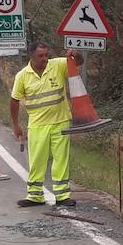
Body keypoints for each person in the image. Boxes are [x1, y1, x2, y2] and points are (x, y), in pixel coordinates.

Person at [10, 41, 76, 208]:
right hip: (37, 124)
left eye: (47, 55)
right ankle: (35, 196)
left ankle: (62, 195)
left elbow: (78, 63)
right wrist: (16, 124)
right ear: (31, 55)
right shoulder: (23, 76)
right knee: (37, 160)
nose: (45, 59)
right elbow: (14, 100)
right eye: (40, 56)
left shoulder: (58, 65)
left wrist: (76, 54)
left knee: (61, 159)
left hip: (60, 122)